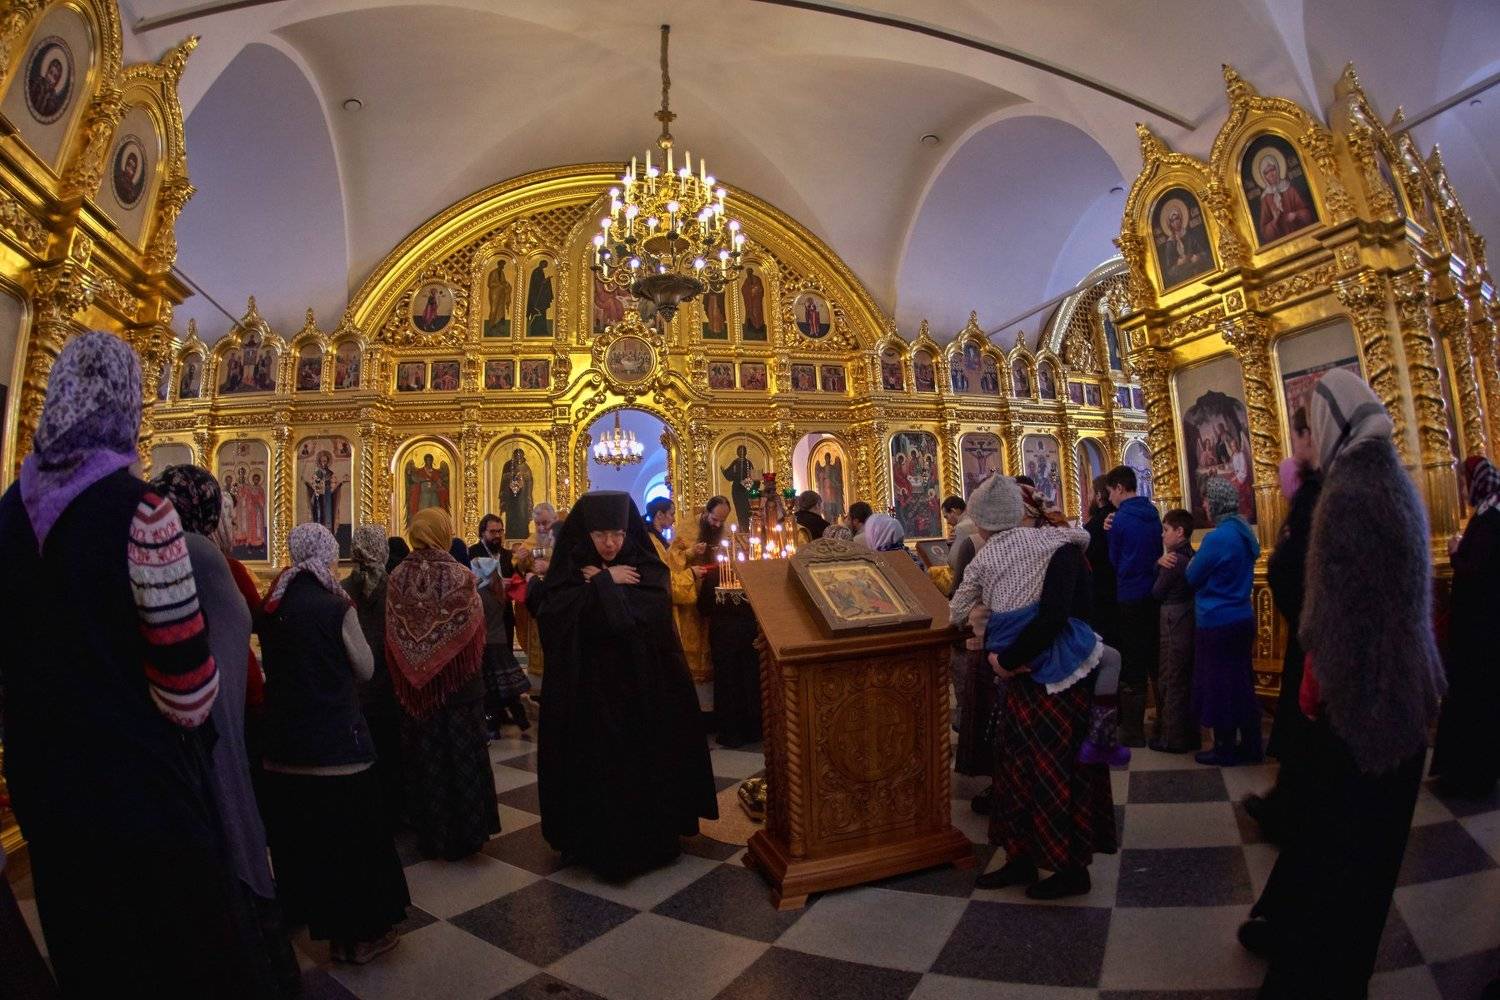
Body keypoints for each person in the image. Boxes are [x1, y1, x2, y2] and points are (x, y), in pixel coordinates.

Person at [0, 332, 272, 997]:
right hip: (138, 790)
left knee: (88, 951)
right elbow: (188, 693)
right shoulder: (144, 514)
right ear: (128, 406)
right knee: (172, 959)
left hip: (43, 783)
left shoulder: (6, 515)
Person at [1240, 370, 1444, 999]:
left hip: (1364, 703)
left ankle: (1319, 978)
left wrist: (1315, 682)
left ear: (1333, 421)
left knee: (1348, 852)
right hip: (1396, 694)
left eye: (1310, 424)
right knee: (1354, 846)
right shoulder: (1388, 476)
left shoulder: (1351, 489)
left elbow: (1336, 610)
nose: (1307, 439)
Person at [152, 465, 298, 992]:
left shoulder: (167, 553)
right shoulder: (201, 556)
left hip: (190, 732)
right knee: (230, 835)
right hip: (213, 727)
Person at [534, 491, 719, 878]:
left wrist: (600, 583)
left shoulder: (643, 564)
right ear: (586, 534)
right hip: (586, 691)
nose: (610, 544)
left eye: (617, 534)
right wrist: (607, 585)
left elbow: (635, 620)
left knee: (639, 766)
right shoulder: (571, 565)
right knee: (594, 766)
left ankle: (650, 841)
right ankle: (589, 842)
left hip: (640, 689)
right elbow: (553, 616)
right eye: (600, 535)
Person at [950, 475, 1116, 899]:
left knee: (1054, 771)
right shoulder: (1042, 546)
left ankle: (1070, 869)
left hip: (1057, 679)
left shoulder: (1060, 549)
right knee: (1014, 769)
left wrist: (1008, 660)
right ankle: (1020, 857)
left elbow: (1062, 616)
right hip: (1021, 679)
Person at [260, 523, 410, 965]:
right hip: (337, 748)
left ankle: (324, 932)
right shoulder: (335, 605)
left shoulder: (272, 604)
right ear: (327, 554)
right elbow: (365, 667)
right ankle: (361, 938)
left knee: (314, 846)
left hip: (285, 747)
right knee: (355, 845)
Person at [387, 508, 500, 860]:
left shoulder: (397, 575)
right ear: (443, 532)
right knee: (461, 759)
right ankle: (469, 834)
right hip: (459, 687)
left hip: (416, 691)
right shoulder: (460, 574)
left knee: (427, 763)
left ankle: (432, 834)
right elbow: (475, 628)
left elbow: (392, 630)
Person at [1245, 411, 1322, 837]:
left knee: (1310, 722)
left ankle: (1295, 815)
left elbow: (1292, 568)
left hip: (1316, 632)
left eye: (1298, 436)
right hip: (1313, 628)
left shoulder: (1316, 496)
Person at [1430, 455, 1500, 797]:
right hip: (1482, 628)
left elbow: (1475, 570)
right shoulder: (1488, 515)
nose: (1462, 487)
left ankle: (1471, 776)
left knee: (1475, 701)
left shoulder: (1489, 520)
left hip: (1479, 631)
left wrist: (1455, 552)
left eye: (1464, 481)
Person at [1185, 478, 1261, 766]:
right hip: (1241, 617)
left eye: (1207, 500)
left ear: (1216, 503)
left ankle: (1224, 747)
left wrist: (1191, 563)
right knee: (1241, 684)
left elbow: (1192, 575)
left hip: (1217, 620)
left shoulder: (1218, 538)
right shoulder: (1243, 531)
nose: (1204, 504)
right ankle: (1252, 744)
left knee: (1219, 686)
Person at [344, 524, 405, 826]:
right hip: (390, 689)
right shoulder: (397, 589)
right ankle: (393, 814)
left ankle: (364, 815)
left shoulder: (341, 590)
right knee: (391, 754)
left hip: (356, 691)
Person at [1105, 465, 1162, 746]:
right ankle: (1165, 723)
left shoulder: (1121, 519)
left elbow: (1114, 559)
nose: (1109, 498)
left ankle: (1132, 730)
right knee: (1156, 657)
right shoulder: (1152, 512)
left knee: (1132, 660)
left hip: (1129, 594)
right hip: (1154, 592)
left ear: (1119, 488)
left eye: (1110, 492)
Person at [470, 514, 528, 733]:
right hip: (483, 615)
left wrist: (516, 574)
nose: (497, 535)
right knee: (490, 670)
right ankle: (496, 715)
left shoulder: (507, 555)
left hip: (503, 615)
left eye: (500, 531)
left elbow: (517, 578)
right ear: (483, 532)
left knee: (503, 666)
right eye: (492, 532)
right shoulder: (473, 553)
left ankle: (501, 713)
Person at [1150, 508, 1198, 753]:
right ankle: (1188, 735)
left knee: (1171, 677)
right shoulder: (1191, 554)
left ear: (1180, 532)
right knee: (1182, 676)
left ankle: (1172, 738)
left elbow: (1157, 592)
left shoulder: (1174, 560)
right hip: (1187, 616)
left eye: (1166, 530)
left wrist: (1156, 566)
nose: (1162, 535)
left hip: (1173, 618)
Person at [667, 496, 727, 681]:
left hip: (713, 591)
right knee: (693, 633)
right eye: (714, 519)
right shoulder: (686, 527)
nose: (717, 525)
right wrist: (691, 552)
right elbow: (672, 560)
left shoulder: (723, 529)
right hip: (690, 590)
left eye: (722, 521)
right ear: (706, 512)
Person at [1083, 476, 1119, 651]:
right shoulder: (1118, 516)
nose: (1089, 496)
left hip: (1100, 586)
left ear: (1098, 495)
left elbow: (1087, 557)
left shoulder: (1095, 524)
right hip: (1118, 584)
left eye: (1090, 492)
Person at [942, 495, 974, 574]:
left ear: (953, 511)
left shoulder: (961, 527)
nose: (947, 522)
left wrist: (950, 545)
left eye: (946, 517)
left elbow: (953, 562)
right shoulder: (977, 521)